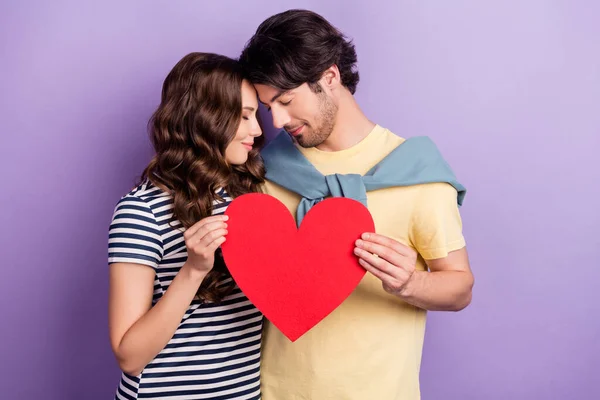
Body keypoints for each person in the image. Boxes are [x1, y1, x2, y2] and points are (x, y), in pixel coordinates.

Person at [239, 9, 474, 400]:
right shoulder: (263, 171)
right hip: (271, 392)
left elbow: (460, 288)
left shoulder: (416, 173)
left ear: (330, 78)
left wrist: (411, 282)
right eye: (267, 107)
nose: (276, 122)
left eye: (285, 101)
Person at [107, 52, 264, 400]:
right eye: (244, 116)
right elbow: (129, 357)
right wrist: (193, 271)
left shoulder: (250, 200)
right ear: (207, 119)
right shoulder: (141, 211)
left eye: (256, 115)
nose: (257, 130)